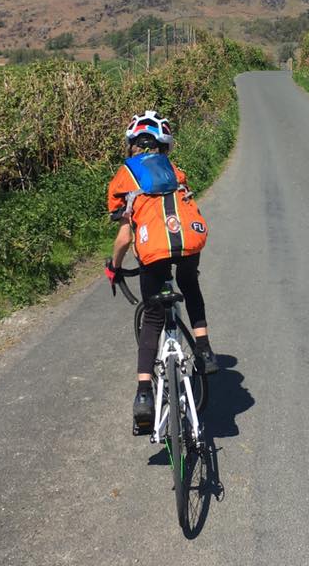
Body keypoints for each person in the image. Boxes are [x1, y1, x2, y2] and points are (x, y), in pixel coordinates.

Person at [104, 110, 218, 431]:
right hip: (187, 240)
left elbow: (125, 235)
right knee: (189, 285)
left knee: (154, 315)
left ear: (132, 146)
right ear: (163, 146)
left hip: (152, 249)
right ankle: (205, 351)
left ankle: (143, 394)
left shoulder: (126, 175)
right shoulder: (175, 170)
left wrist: (114, 266)